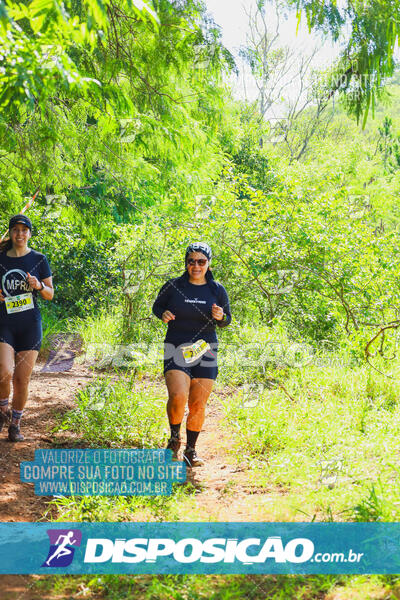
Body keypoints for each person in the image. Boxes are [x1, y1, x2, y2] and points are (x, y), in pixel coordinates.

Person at [152, 242, 231, 467]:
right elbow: (157, 307)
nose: (196, 266)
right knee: (178, 396)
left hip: (206, 350)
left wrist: (221, 317)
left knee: (198, 404)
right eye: (191, 261)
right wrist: (163, 314)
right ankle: (174, 438)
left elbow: (227, 320)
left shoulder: (217, 289)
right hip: (176, 346)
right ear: (186, 263)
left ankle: (191, 450)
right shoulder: (173, 286)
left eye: (201, 261)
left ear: (208, 263)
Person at [0, 214, 54, 442]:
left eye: (24, 230)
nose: (20, 234)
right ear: (11, 233)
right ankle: (2, 410)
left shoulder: (39, 259)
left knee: (22, 379)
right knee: (4, 371)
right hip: (4, 323)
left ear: (29, 233)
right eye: (16, 230)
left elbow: (50, 294)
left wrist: (39, 285)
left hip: (30, 325)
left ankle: (15, 424)